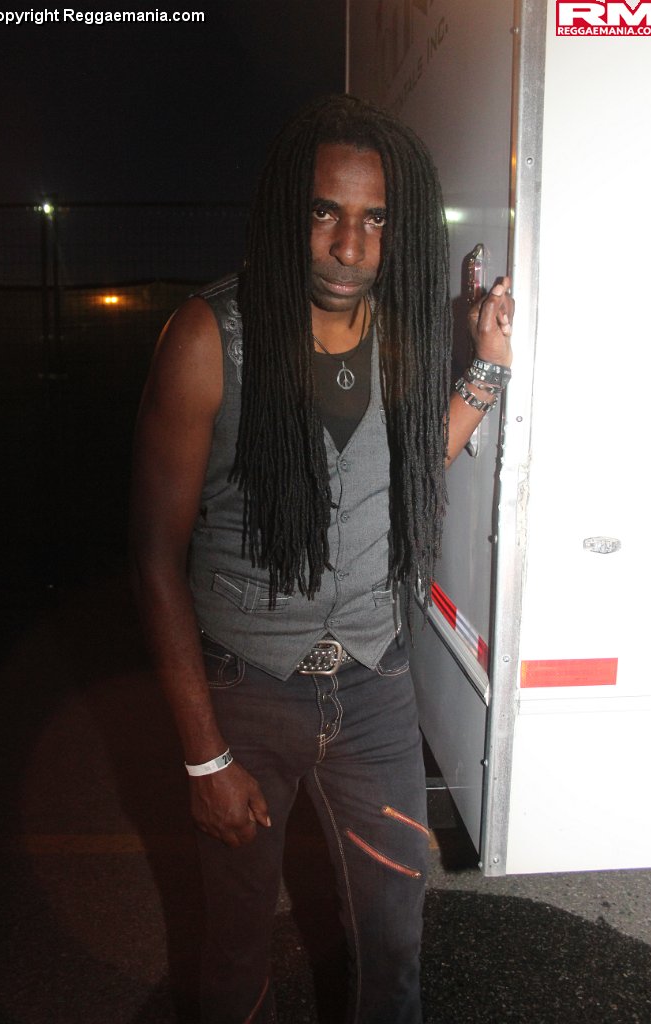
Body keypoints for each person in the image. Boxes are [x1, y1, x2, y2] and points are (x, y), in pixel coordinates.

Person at [130, 94, 513, 1024]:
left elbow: (408, 463)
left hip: (376, 684)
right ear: (284, 212)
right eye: (325, 212)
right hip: (248, 687)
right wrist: (203, 758)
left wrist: (487, 367)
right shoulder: (208, 338)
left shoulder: (401, 334)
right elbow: (153, 557)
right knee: (235, 952)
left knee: (394, 943)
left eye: (375, 218)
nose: (350, 245)